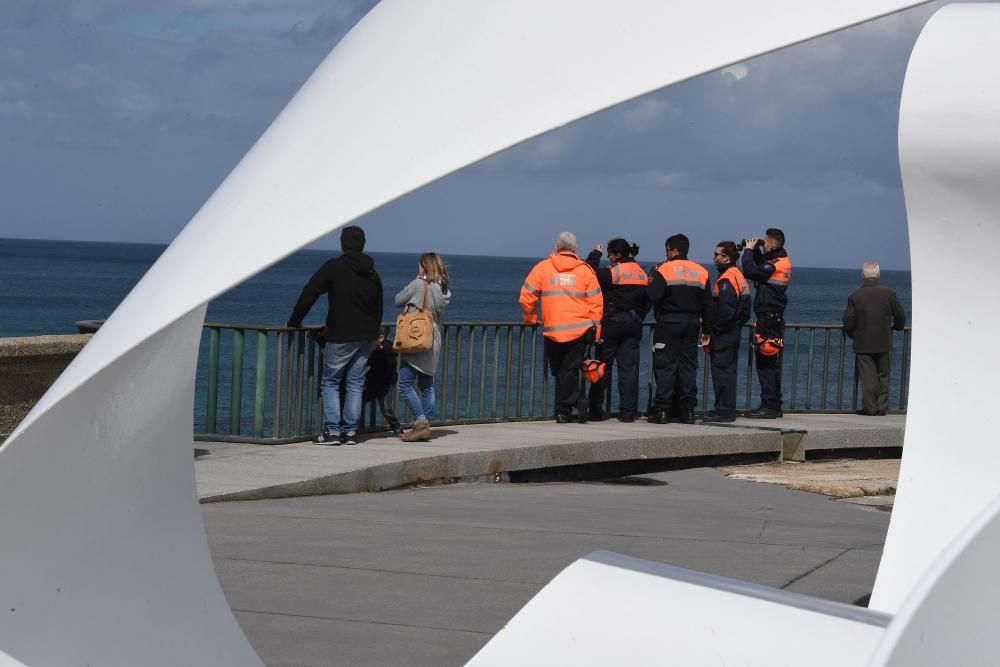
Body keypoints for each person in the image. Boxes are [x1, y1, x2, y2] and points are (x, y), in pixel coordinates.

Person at [287, 225, 383, 446]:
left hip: (340, 335)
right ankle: (350, 432)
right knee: (356, 383)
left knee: (330, 381)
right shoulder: (372, 273)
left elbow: (309, 293)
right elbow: (378, 306)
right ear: (363, 245)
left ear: (342, 244)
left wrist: (295, 321)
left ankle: (332, 431)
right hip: (367, 336)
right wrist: (374, 330)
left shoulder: (334, 267)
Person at [520, 232, 604, 423]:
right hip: (579, 331)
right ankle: (574, 401)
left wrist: (531, 318)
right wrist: (596, 332)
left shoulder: (543, 268)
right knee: (569, 371)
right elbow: (597, 303)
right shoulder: (585, 271)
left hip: (553, 330)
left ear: (557, 248)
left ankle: (563, 410)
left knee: (559, 371)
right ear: (575, 250)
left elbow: (526, 296)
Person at [645, 233, 711, 424]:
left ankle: (663, 411)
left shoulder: (664, 269)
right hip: (692, 325)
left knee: (665, 366)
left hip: (669, 323)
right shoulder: (701, 271)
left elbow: (652, 296)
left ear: (673, 250)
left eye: (667, 250)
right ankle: (688, 411)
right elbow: (708, 305)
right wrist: (707, 330)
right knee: (688, 367)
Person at [585, 238, 648, 422]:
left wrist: (595, 255)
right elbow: (648, 299)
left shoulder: (612, 272)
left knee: (602, 367)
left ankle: (595, 410)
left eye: (609, 254)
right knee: (627, 369)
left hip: (612, 323)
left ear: (618, 255)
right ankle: (628, 413)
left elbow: (589, 274)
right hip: (634, 323)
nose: (609, 258)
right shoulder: (642, 272)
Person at [395, 252, 452, 442]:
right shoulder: (443, 289)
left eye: (419, 265)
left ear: (424, 266)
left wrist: (417, 280)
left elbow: (398, 299)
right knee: (427, 385)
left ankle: (420, 422)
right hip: (433, 338)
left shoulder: (419, 284)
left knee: (404, 384)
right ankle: (425, 424)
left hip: (417, 335)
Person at [842, 261, 906, 416]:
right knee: (883, 374)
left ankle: (869, 408)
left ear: (862, 275)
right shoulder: (889, 293)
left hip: (863, 342)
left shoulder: (855, 295)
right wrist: (897, 327)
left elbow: (848, 320)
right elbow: (900, 315)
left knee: (867, 376)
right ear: (878, 275)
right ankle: (881, 407)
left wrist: (853, 333)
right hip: (884, 340)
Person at [742, 228, 791, 419]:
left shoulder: (774, 265)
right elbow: (763, 266)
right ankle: (775, 404)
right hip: (775, 319)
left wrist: (747, 251)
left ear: (771, 244)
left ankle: (768, 406)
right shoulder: (781, 261)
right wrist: (756, 251)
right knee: (772, 363)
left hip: (767, 320)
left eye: (765, 242)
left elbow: (750, 271)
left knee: (765, 364)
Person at [701, 241, 752, 423]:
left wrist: (715, 330)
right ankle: (726, 408)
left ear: (726, 258)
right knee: (729, 371)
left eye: (717, 254)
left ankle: (723, 410)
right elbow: (745, 307)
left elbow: (726, 310)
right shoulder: (738, 275)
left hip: (724, 334)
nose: (713, 257)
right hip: (733, 331)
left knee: (722, 371)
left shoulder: (726, 279)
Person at [363, 328, 402, 436]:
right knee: (357, 404)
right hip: (372, 383)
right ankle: (349, 427)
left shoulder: (387, 351)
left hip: (385, 385)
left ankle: (396, 427)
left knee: (386, 410)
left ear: (381, 338)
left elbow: (386, 370)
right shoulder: (371, 350)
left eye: (371, 339)